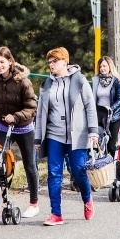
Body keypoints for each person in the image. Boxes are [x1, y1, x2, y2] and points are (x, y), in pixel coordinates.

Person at [34, 47, 98, 226]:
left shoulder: (79, 80)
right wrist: (38, 139)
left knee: (78, 171)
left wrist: (93, 131)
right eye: (49, 62)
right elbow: (41, 113)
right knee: (54, 173)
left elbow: (90, 106)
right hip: (54, 135)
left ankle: (87, 198)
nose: (51, 65)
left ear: (65, 61)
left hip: (77, 135)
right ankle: (56, 213)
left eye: (54, 61)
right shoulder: (47, 85)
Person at [0, 47, 40, 218]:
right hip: (3, 127)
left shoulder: (23, 82)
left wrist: (16, 116)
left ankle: (34, 203)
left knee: (29, 165)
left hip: (24, 127)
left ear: (10, 61)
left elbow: (31, 107)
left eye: (2, 62)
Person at [91, 56, 120, 156]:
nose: (102, 68)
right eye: (100, 67)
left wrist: (111, 108)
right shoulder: (95, 81)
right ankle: (101, 162)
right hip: (99, 115)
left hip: (113, 116)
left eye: (104, 66)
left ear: (110, 66)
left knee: (111, 145)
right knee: (99, 141)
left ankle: (114, 162)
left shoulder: (116, 81)